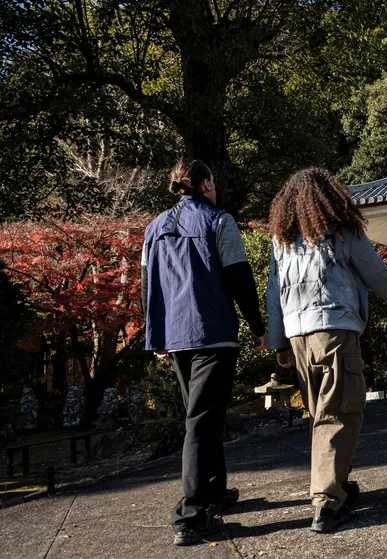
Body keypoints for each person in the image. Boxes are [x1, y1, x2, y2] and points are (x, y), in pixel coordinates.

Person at [266, 167, 387, 534]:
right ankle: (327, 503)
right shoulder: (341, 231)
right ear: (330, 198)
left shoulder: (281, 239)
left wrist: (278, 342)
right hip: (334, 330)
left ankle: (340, 486)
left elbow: (273, 291)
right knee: (341, 413)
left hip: (298, 336)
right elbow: (378, 273)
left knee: (322, 414)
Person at [142, 160, 267, 546]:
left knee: (203, 415)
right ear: (206, 183)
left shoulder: (153, 228)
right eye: (213, 181)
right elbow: (239, 276)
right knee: (201, 419)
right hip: (211, 332)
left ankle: (214, 491)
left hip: (175, 334)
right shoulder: (218, 220)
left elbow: (147, 283)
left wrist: (156, 336)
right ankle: (191, 514)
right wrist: (258, 326)